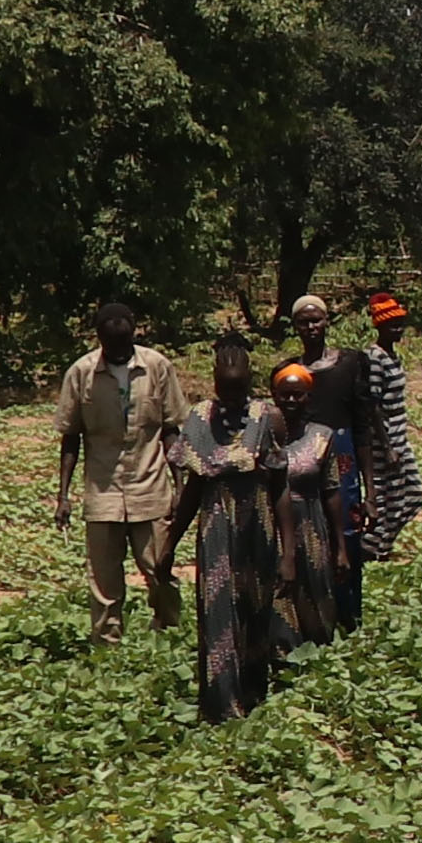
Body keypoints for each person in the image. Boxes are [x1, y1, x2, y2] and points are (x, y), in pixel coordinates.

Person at [159, 332, 288, 723]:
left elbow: (279, 482)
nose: (231, 397)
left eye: (239, 389)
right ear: (214, 381)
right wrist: (169, 546)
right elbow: (195, 487)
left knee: (255, 610)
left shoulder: (267, 417)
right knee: (217, 613)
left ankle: (254, 699)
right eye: (224, 389)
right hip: (216, 526)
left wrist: (290, 551)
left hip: (257, 524)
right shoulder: (199, 419)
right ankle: (220, 706)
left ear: (251, 381)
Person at [54, 301, 188, 644]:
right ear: (99, 338)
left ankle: (170, 635)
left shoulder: (157, 367)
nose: (116, 348)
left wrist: (180, 486)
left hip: (151, 488)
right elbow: (71, 437)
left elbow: (171, 428)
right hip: (103, 493)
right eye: (109, 343)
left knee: (161, 570)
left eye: (122, 341)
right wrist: (63, 496)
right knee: (103, 583)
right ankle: (107, 648)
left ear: (134, 333)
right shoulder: (81, 373)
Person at [285, 294, 372, 628]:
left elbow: (363, 426)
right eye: (304, 322)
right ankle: (313, 617)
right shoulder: (289, 374)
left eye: (316, 319)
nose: (311, 327)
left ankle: (350, 618)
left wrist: (372, 493)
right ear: (295, 327)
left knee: (346, 540)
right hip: (306, 464)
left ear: (327, 321)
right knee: (309, 537)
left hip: (346, 461)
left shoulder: (350, 364)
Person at [265, 362, 344, 655]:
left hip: (311, 523)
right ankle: (283, 655)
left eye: (298, 395)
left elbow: (332, 490)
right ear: (273, 395)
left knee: (315, 590)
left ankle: (318, 653)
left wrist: (341, 547)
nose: (290, 401)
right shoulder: (261, 437)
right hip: (271, 524)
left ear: (308, 397)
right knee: (279, 590)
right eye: (284, 395)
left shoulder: (322, 436)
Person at [356, 292, 422, 563]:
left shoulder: (392, 355)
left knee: (414, 496)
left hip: (399, 437)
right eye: (392, 325)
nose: (398, 329)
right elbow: (372, 404)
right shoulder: (375, 358)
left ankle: (376, 545)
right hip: (385, 441)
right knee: (391, 500)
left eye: (400, 324)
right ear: (380, 327)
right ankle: (372, 548)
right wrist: (386, 447)